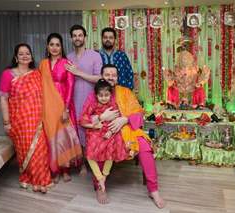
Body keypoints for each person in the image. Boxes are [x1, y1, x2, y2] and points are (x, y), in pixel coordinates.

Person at [78, 64, 165, 208]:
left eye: (114, 75)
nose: (110, 77)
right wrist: (102, 116)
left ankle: (153, 190)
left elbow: (139, 113)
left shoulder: (125, 92)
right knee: (97, 147)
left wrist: (125, 119)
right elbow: (85, 118)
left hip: (127, 130)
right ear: (101, 76)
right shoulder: (94, 94)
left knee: (144, 146)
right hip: (103, 132)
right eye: (107, 74)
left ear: (117, 78)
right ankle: (100, 187)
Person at [0, 43, 52, 193]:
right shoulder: (8, 74)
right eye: (21, 54)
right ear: (16, 57)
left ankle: (41, 181)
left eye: (27, 53)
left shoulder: (36, 74)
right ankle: (28, 178)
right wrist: (6, 122)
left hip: (37, 120)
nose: (24, 56)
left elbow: (43, 96)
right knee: (24, 151)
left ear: (31, 56)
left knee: (40, 150)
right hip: (19, 121)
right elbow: (4, 99)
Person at [39, 33, 82, 183]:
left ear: (61, 47)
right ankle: (54, 169)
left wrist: (66, 109)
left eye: (57, 45)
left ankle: (65, 169)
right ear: (47, 46)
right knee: (51, 138)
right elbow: (39, 86)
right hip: (47, 107)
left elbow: (70, 86)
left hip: (63, 104)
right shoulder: (42, 64)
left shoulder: (66, 62)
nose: (55, 47)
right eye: (52, 44)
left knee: (63, 138)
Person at [80, 79, 128, 200]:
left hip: (110, 131)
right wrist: (96, 122)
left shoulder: (113, 105)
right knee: (90, 154)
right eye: (100, 95)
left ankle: (104, 176)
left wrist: (111, 131)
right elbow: (84, 118)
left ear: (110, 95)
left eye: (106, 95)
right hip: (96, 131)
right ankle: (99, 178)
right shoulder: (93, 104)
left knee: (111, 151)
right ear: (96, 95)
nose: (103, 98)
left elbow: (117, 119)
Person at [65, 25, 102, 173]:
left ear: (85, 37)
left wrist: (78, 72)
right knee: (75, 131)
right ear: (71, 38)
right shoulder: (68, 57)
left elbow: (99, 78)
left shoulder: (95, 55)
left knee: (90, 132)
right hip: (73, 101)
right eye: (74, 35)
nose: (77, 38)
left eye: (80, 35)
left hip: (90, 100)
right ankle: (81, 165)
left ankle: (93, 162)